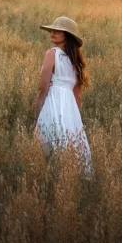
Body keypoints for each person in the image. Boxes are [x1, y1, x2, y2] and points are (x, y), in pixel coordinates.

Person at [33, 16, 91, 172]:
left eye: (58, 31)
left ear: (67, 35)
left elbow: (42, 89)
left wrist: (37, 116)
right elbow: (78, 96)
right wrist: (74, 120)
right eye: (52, 30)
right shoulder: (76, 61)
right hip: (70, 109)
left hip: (52, 103)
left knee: (46, 150)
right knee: (69, 149)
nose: (52, 32)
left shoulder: (51, 54)